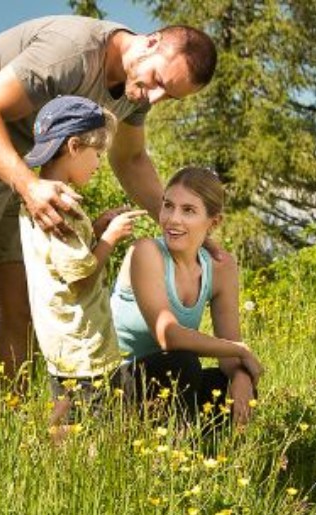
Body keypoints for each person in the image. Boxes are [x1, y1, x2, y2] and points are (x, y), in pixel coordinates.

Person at [0, 15, 218, 394]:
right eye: (160, 82)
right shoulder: (72, 54)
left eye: (170, 96)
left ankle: (7, 422)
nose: (155, 98)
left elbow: (131, 160)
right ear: (149, 43)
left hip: (17, 164)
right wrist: (29, 187)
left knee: (23, 304)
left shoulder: (137, 90)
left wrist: (179, 226)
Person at [17, 96, 146, 434]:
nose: (100, 164)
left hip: (62, 345)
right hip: (84, 348)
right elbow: (81, 279)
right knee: (99, 433)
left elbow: (61, 263)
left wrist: (98, 229)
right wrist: (110, 239)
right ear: (73, 146)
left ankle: (52, 479)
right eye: (97, 154)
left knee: (65, 425)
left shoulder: (39, 202)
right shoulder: (63, 210)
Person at [111, 167, 260, 427]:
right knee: (183, 364)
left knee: (226, 386)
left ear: (213, 223)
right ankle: (165, 455)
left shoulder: (221, 268)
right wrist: (239, 350)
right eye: (168, 206)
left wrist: (241, 377)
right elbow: (167, 335)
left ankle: (212, 458)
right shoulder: (145, 252)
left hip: (168, 385)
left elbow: (229, 351)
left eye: (188, 210)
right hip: (116, 385)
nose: (173, 219)